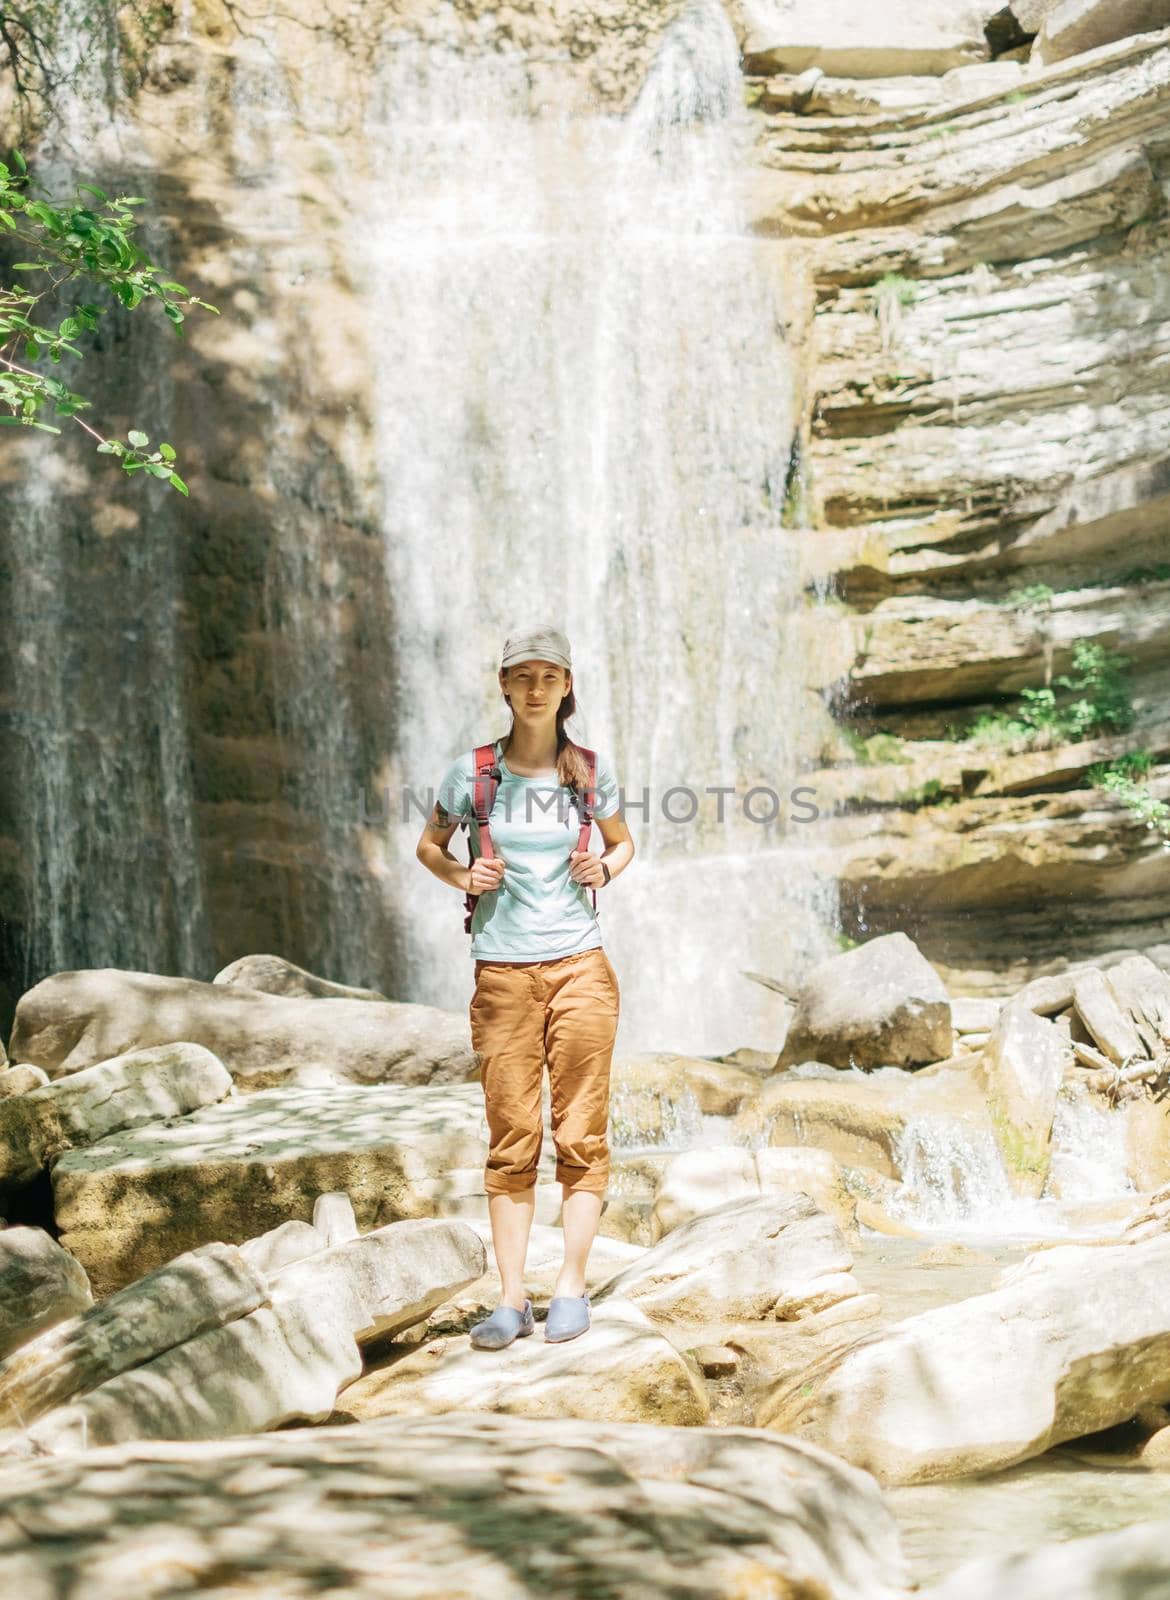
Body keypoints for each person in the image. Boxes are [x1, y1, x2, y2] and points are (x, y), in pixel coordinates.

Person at [416, 624, 634, 1349]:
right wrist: (461, 874)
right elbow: (430, 846)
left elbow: (621, 840)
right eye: (523, 676)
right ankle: (511, 1299)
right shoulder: (473, 774)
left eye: (550, 676)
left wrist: (605, 868)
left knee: (580, 1133)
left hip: (580, 966)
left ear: (567, 686)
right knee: (513, 1139)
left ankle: (570, 1286)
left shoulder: (587, 771)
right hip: (502, 973)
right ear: (504, 686)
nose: (536, 688)